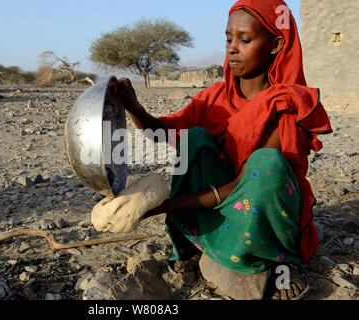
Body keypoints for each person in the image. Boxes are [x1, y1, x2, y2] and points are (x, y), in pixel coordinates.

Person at [116, 0, 333, 300]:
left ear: (276, 44)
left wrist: (159, 206)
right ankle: (200, 246)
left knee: (267, 164)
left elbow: (244, 186)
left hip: (262, 210)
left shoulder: (283, 104)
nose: (232, 48)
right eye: (229, 38)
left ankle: (275, 262)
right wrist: (134, 106)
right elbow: (162, 131)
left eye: (245, 40)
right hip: (222, 201)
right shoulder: (215, 97)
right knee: (196, 139)